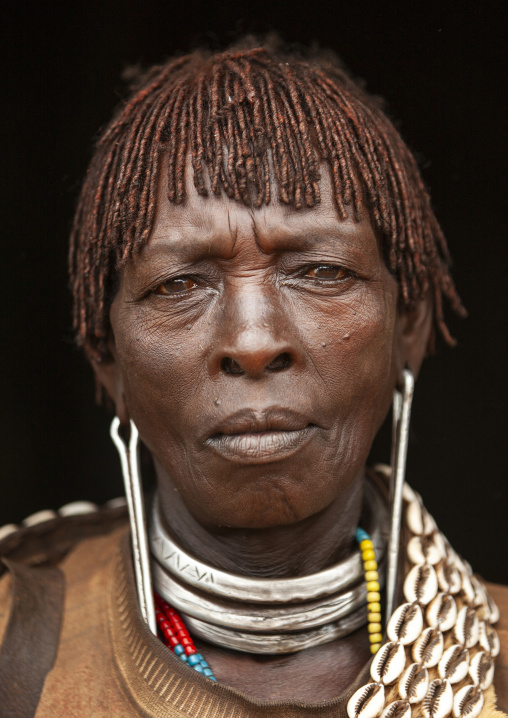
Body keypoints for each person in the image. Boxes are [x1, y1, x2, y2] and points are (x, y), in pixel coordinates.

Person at [0, 37, 506, 717]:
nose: (254, 341)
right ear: (107, 357)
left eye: (322, 271)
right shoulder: (16, 649)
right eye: (180, 283)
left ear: (407, 328)